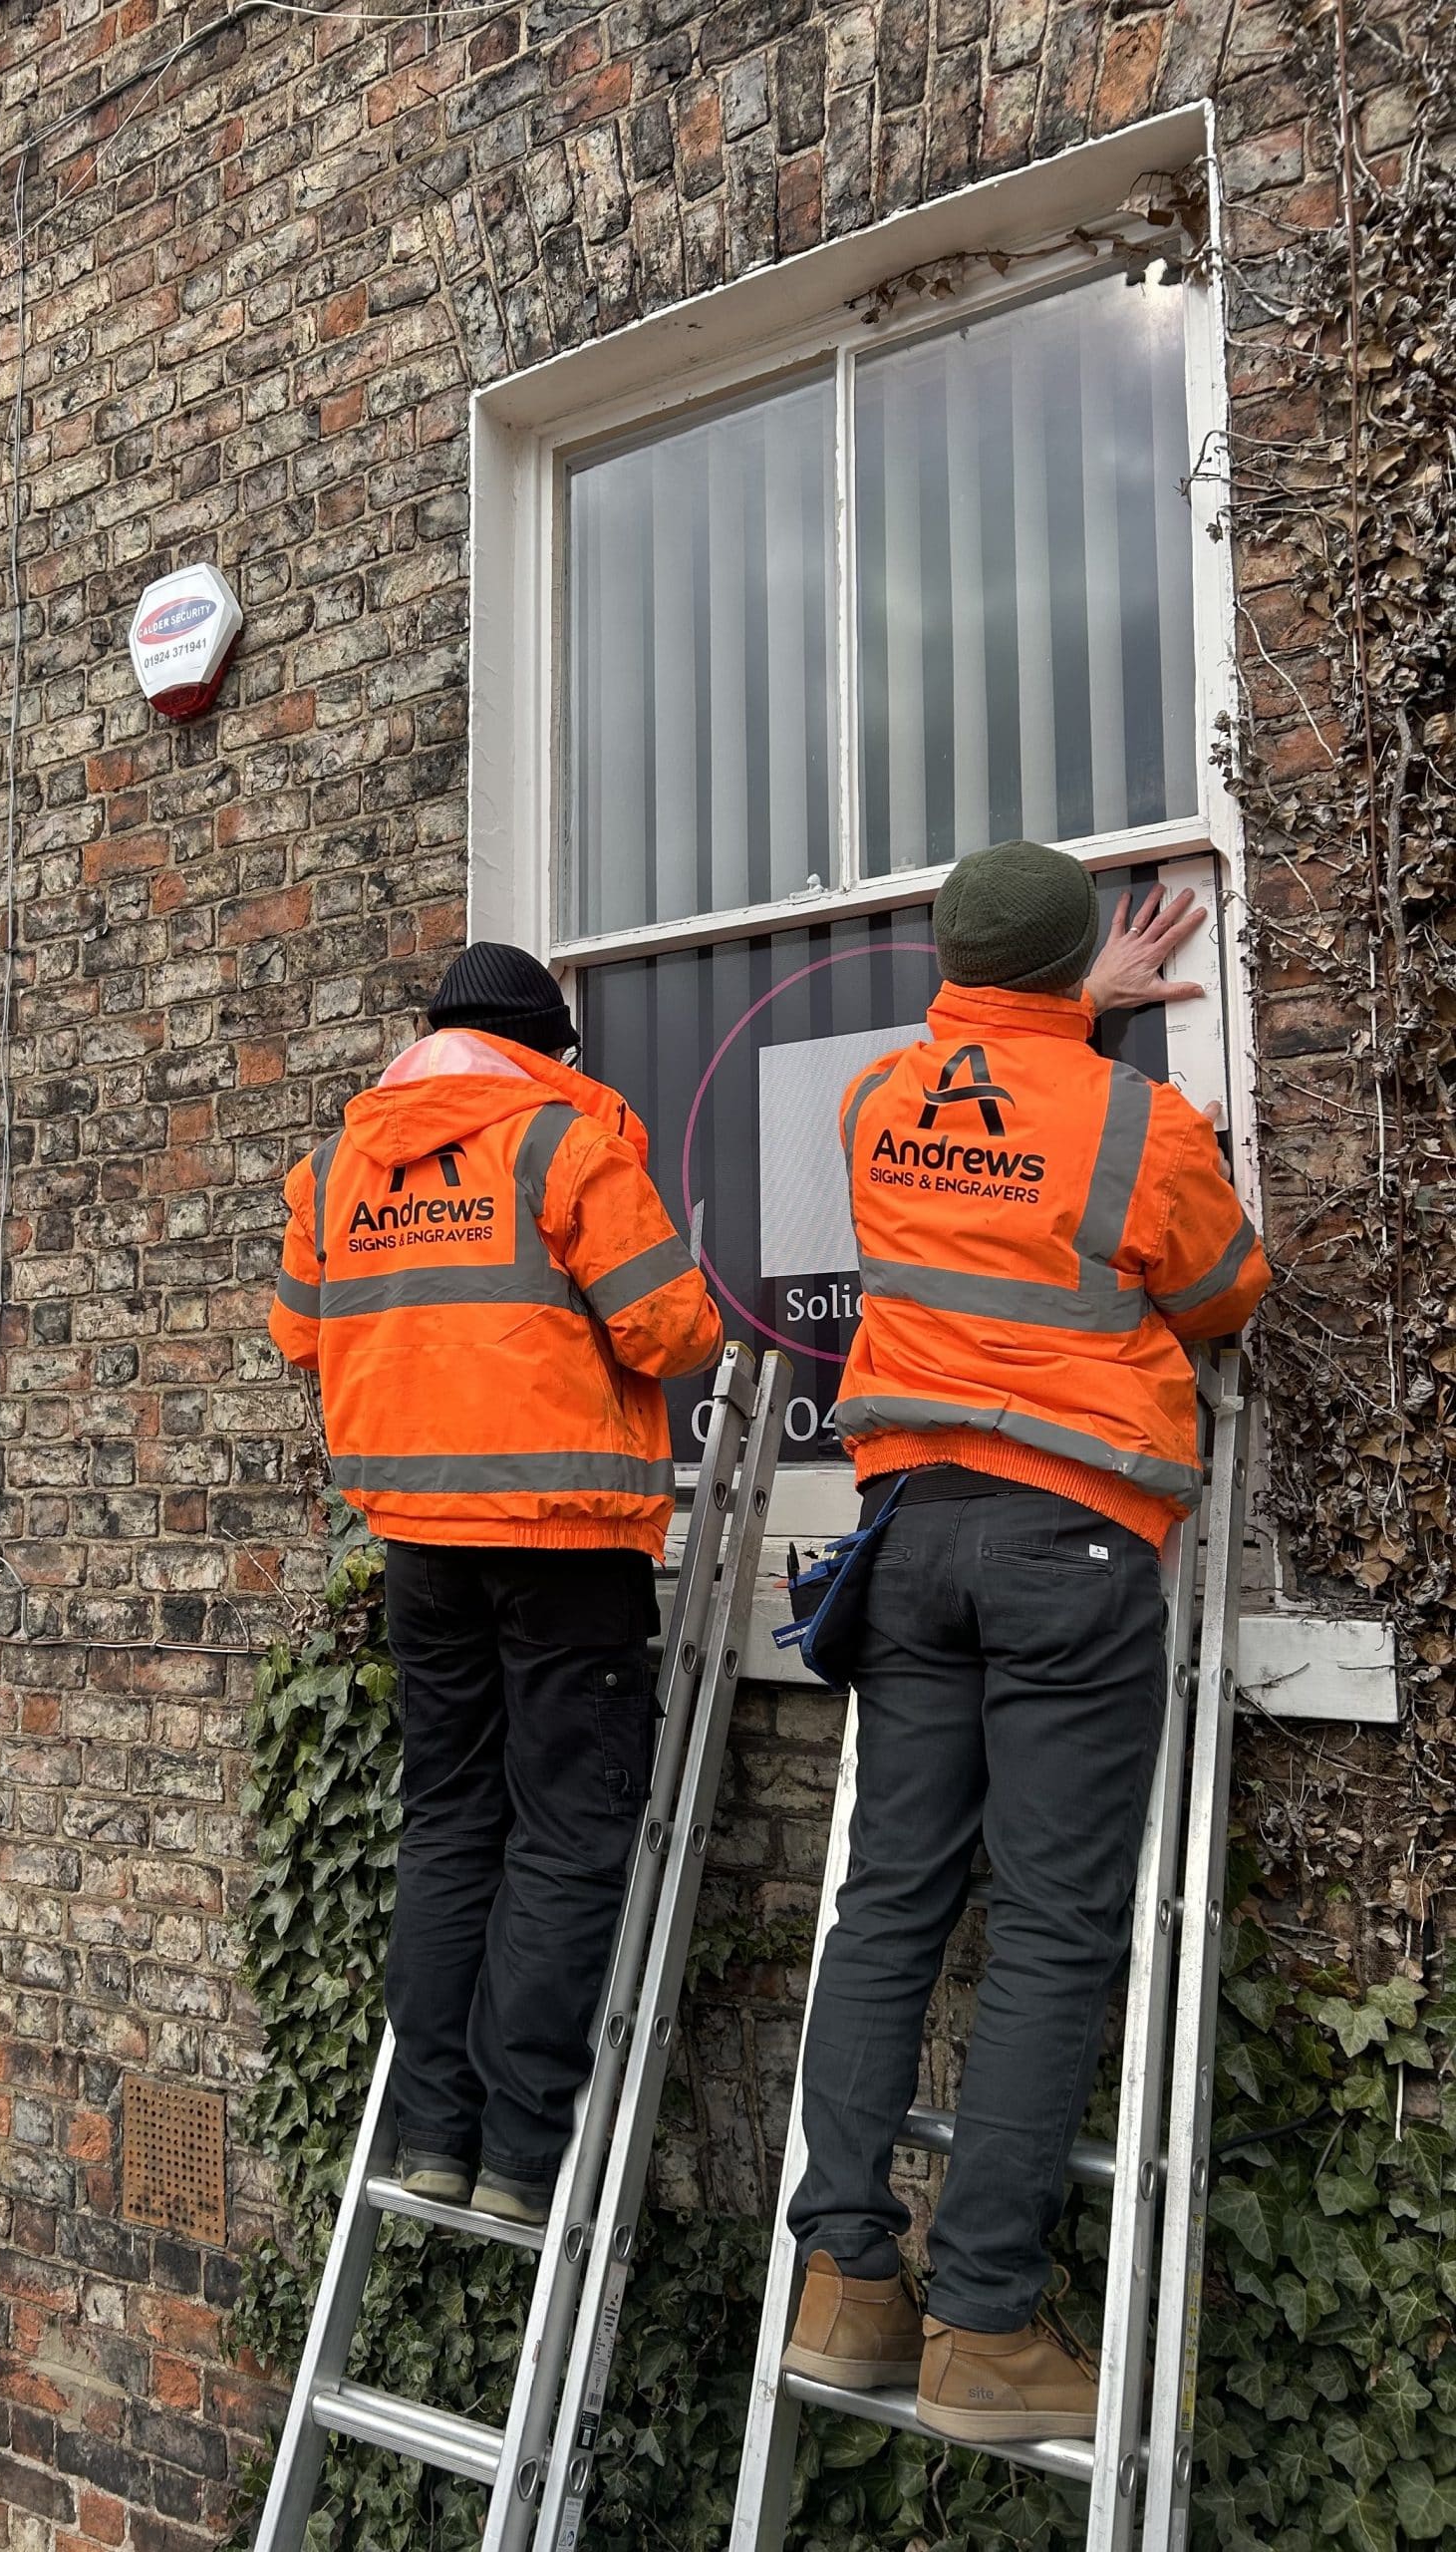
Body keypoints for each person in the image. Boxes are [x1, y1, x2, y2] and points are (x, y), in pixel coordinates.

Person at [781, 843, 1271, 2442]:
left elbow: (981, 1138)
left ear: (952, 961)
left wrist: (1068, 1020)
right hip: (1068, 1545)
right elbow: (1224, 1289)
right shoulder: (1136, 1124)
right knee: (1056, 1927)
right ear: (1077, 969)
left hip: (909, 1531)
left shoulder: (873, 1103)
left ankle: (847, 2285)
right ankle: (986, 2325)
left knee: (889, 1904)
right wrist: (1108, 1050)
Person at [269, 943, 723, 2224]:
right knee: (570, 1831)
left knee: (452, 1819)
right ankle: (523, 2153)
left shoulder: (336, 1164)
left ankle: (431, 2130)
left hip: (419, 1546)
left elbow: (298, 1330)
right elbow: (672, 1330)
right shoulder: (562, 1143)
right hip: (566, 1545)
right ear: (549, 1046)